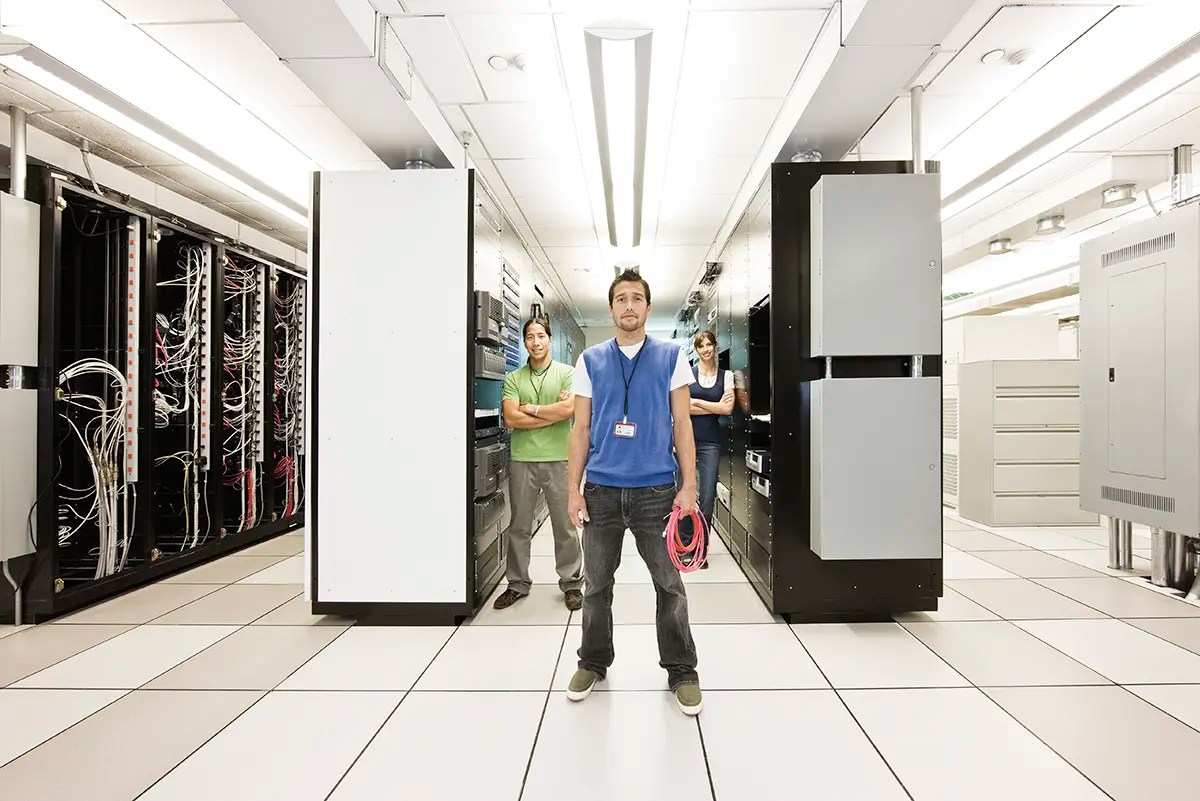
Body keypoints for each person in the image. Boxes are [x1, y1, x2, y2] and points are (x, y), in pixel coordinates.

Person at [565, 269, 703, 716]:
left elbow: (682, 424)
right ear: (611, 308)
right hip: (602, 491)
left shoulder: (671, 356)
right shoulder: (590, 360)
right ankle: (593, 661)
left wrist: (689, 485)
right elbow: (580, 428)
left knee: (669, 585)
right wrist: (574, 490)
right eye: (620, 298)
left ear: (646, 307)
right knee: (596, 586)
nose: (628, 305)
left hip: (657, 493)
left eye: (636, 298)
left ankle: (682, 669)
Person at [496, 318, 583, 611]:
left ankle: (571, 583)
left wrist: (530, 409)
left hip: (559, 458)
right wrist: (552, 413)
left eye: (541, 336)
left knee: (565, 524)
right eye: (530, 337)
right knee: (519, 525)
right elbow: (510, 419)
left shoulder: (567, 373)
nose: (536, 342)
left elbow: (569, 409)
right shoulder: (513, 378)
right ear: (524, 342)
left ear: (550, 340)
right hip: (523, 460)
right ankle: (517, 583)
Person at [684, 331, 734, 566]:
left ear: (715, 346)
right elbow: (682, 408)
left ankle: (700, 550)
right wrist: (715, 406)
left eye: (709, 345)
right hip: (684, 441)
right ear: (696, 350)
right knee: (683, 494)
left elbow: (728, 409)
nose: (705, 349)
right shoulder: (688, 375)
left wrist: (699, 403)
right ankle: (684, 544)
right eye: (701, 346)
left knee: (706, 497)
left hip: (710, 443)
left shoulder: (728, 376)